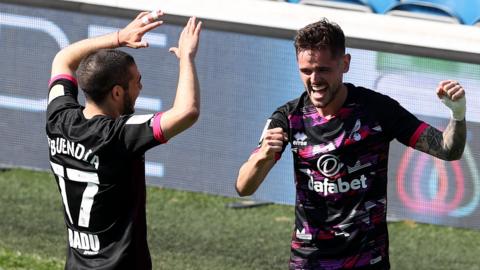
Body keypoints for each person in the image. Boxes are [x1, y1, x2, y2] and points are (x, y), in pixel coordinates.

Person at [235, 18, 466, 270]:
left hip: (368, 260)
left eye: (323, 69)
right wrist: (263, 157)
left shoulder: (378, 110)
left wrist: (458, 114)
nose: (314, 80)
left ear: (344, 64)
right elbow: (244, 187)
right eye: (306, 71)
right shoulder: (288, 118)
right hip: (310, 261)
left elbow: (447, 149)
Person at [46, 10, 202, 269]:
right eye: (137, 82)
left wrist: (120, 37)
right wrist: (187, 57)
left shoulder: (58, 119)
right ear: (117, 92)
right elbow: (187, 112)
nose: (141, 88)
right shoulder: (118, 135)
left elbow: (63, 58)